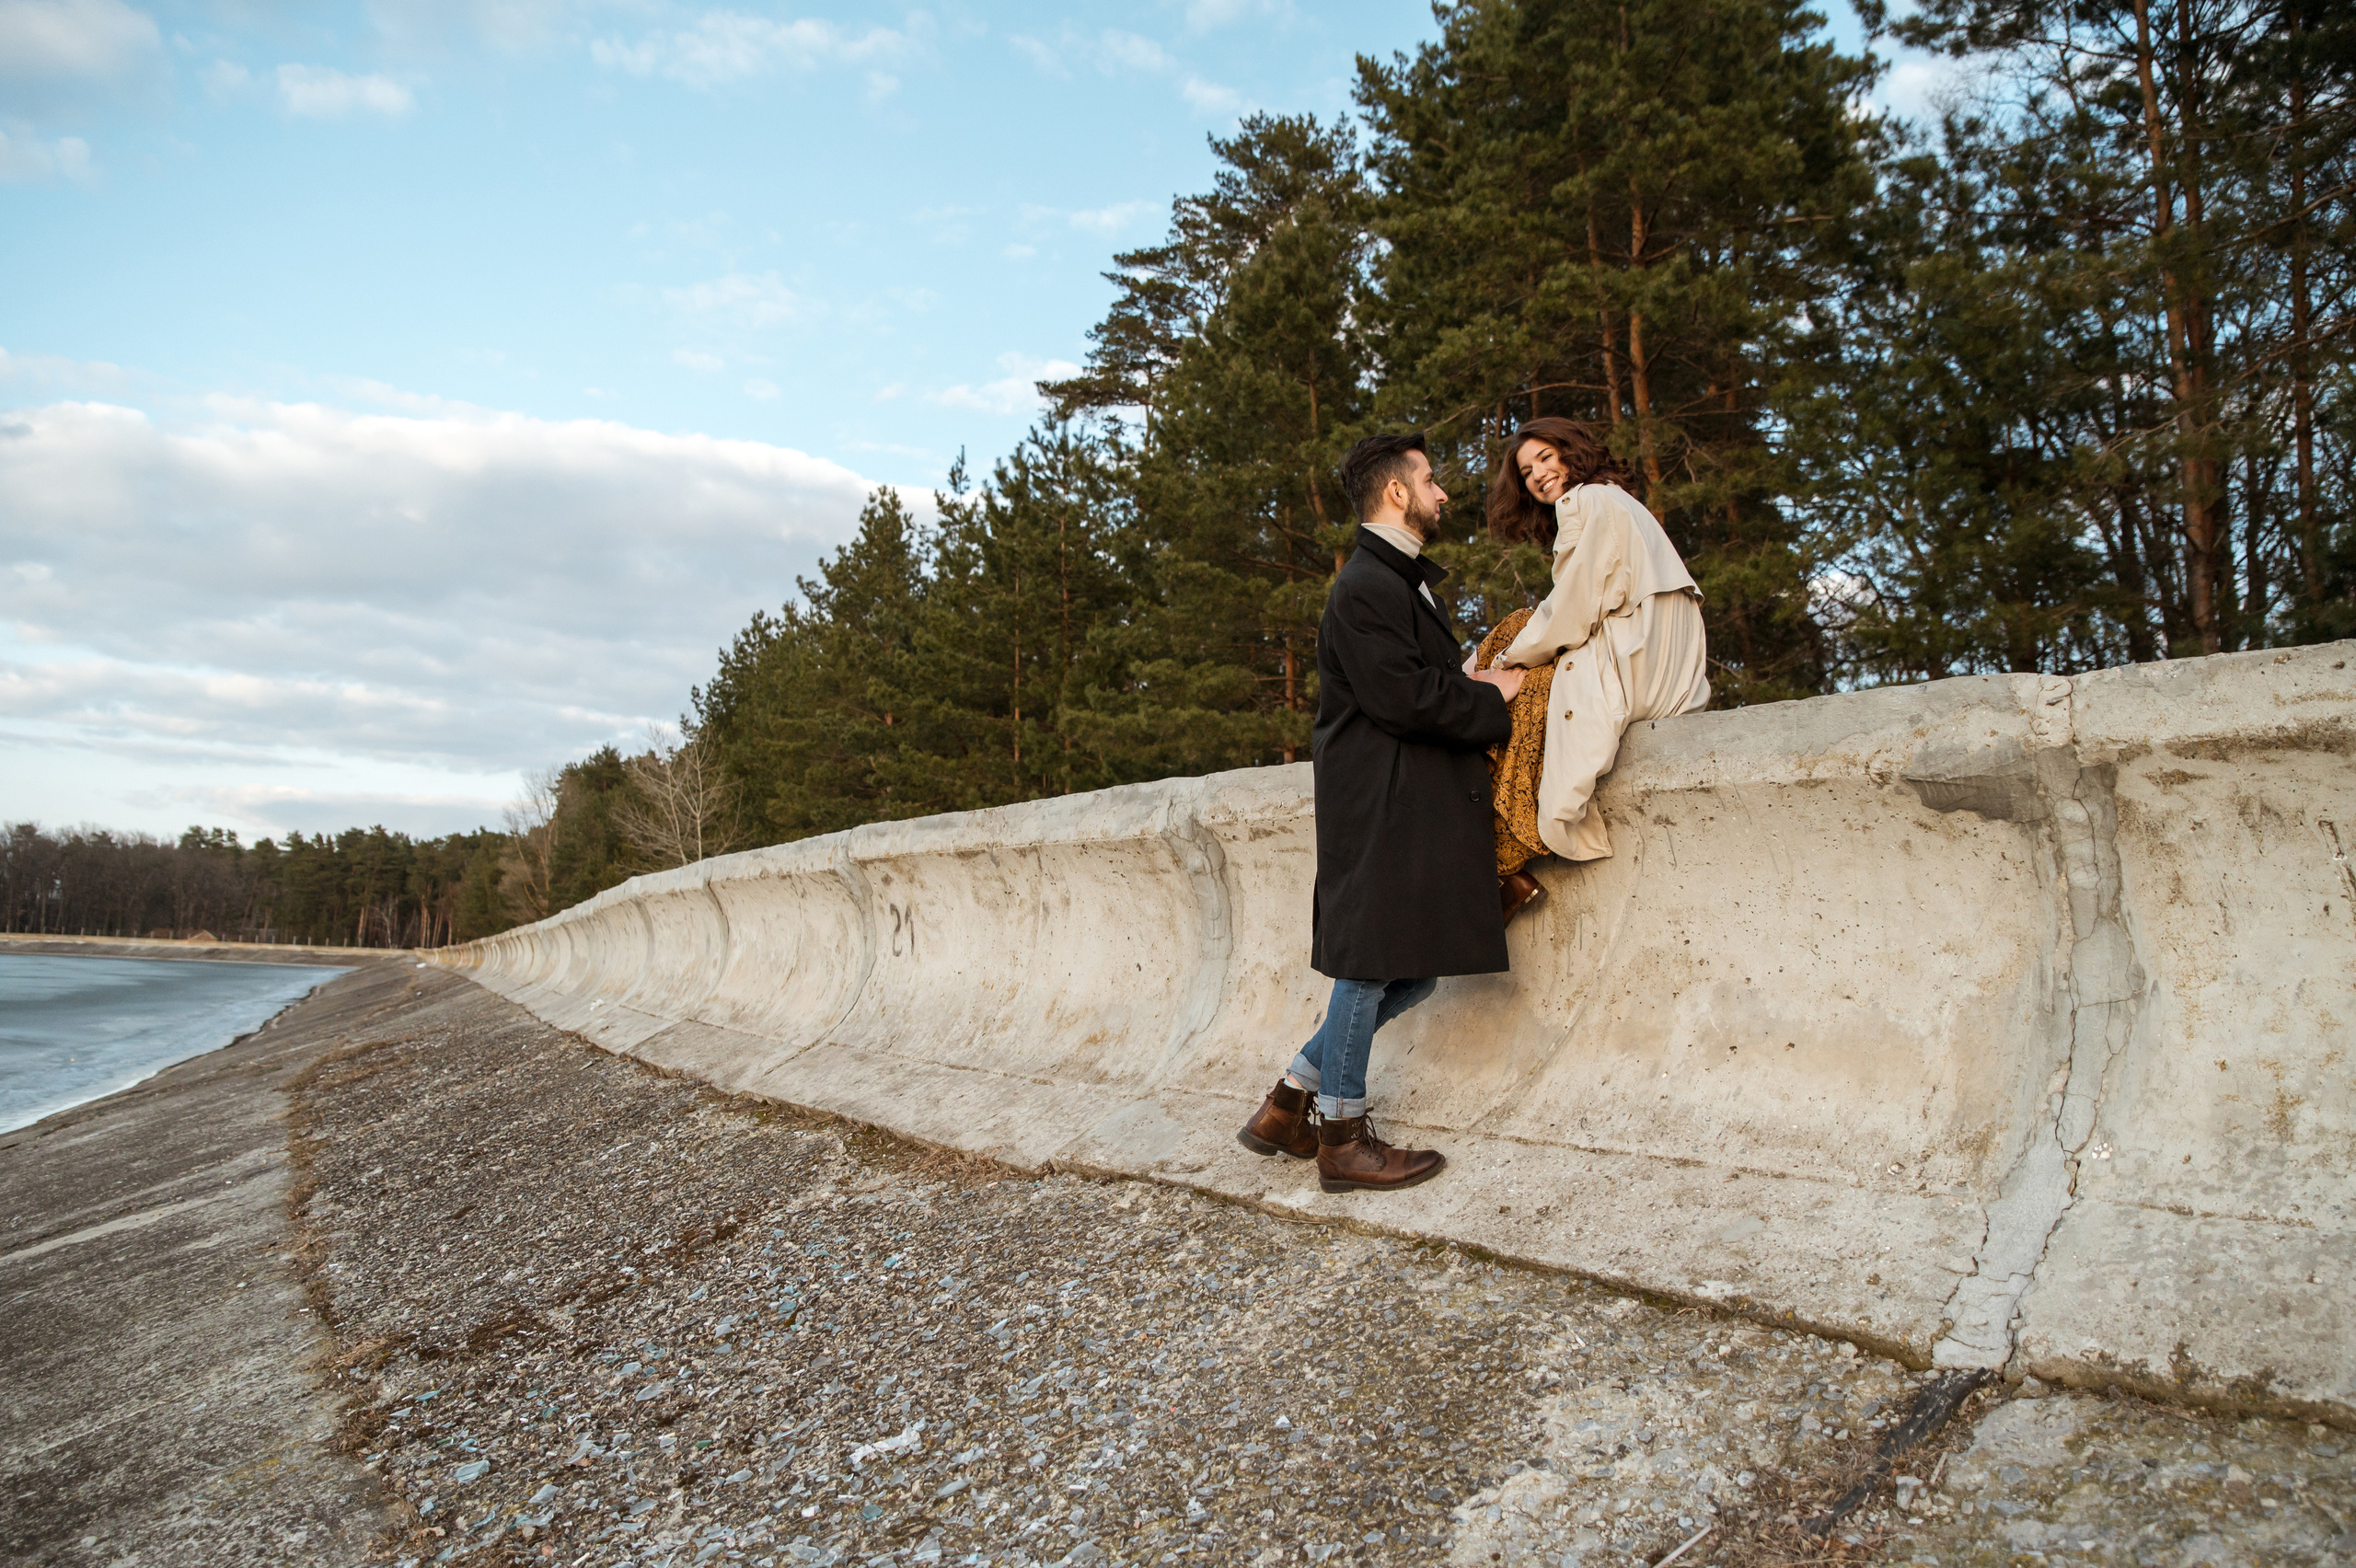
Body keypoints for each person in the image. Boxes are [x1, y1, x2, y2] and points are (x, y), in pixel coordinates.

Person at [1236, 432, 1524, 1193]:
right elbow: (1402, 698)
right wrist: (1493, 695)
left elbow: (1409, 677)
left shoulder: (1395, 581)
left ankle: (1290, 1101)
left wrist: (1469, 674)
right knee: (1366, 971)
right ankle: (1343, 1139)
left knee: (1416, 974)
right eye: (1430, 480)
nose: (1442, 492)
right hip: (1381, 803)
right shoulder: (1365, 584)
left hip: (1400, 798)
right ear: (1396, 493)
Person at [1477, 418, 1709, 876]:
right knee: (1519, 651)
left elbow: (1570, 610)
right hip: (1671, 669)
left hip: (1636, 659)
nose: (1538, 474)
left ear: (1571, 450)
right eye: (1526, 472)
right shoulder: (1618, 500)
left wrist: (1501, 664)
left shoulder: (1585, 499)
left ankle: (1497, 841)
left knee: (1515, 653)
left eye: (1546, 457)